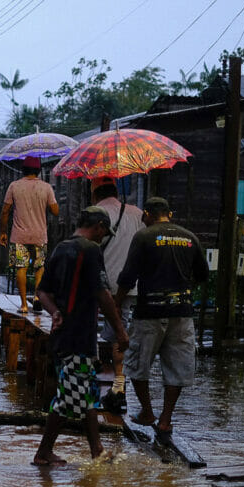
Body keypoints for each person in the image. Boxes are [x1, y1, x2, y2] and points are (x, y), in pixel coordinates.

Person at [33, 206, 129, 467]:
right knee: (69, 398)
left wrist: (54, 313)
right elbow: (103, 294)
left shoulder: (61, 247)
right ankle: (43, 453)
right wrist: (120, 330)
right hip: (78, 335)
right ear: (97, 226)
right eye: (103, 233)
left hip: (63, 335)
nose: (103, 238)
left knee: (86, 394)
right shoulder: (90, 250)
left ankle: (96, 450)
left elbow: (42, 292)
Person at [114, 196, 210, 445]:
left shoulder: (144, 237)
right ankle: (165, 419)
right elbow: (202, 275)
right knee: (178, 368)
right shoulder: (190, 238)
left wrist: (115, 304)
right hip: (182, 313)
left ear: (147, 214)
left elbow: (127, 277)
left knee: (137, 364)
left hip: (150, 313)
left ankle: (147, 411)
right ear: (170, 214)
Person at [90, 176, 146, 414]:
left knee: (98, 330)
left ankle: (101, 382)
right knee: (121, 333)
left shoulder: (95, 212)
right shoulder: (136, 213)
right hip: (131, 284)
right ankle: (118, 386)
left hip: (101, 283)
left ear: (96, 193)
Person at [0, 156, 59, 314]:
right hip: (40, 235)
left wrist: (3, 232)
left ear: (23, 169)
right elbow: (55, 211)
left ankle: (24, 305)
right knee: (39, 267)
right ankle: (38, 297)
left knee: (21, 268)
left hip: (19, 236)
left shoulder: (14, 186)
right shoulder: (46, 188)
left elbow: (5, 212)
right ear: (39, 170)